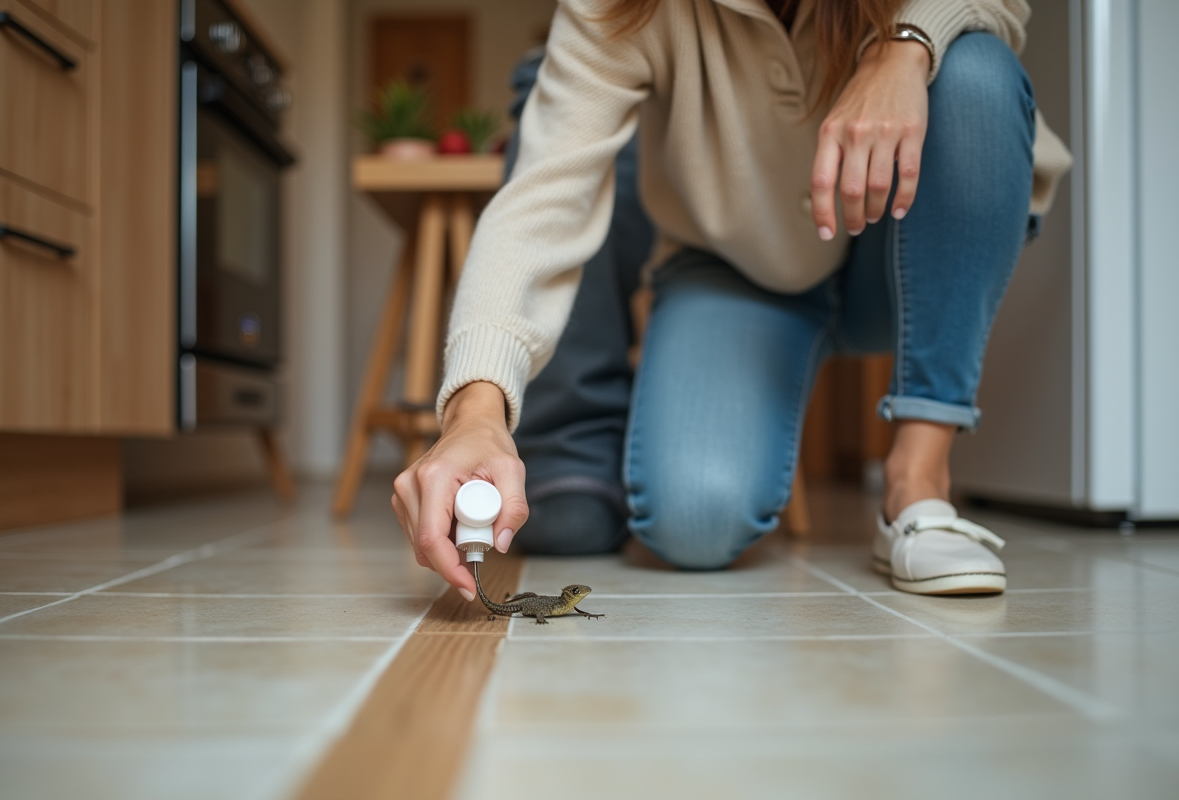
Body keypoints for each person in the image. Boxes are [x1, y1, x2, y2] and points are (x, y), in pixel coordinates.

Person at [392, 0, 1072, 601]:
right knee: (692, 523)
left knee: (975, 71)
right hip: (734, 268)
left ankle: (918, 482)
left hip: (896, 255)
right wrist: (475, 409)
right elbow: (541, 198)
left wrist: (906, 45)